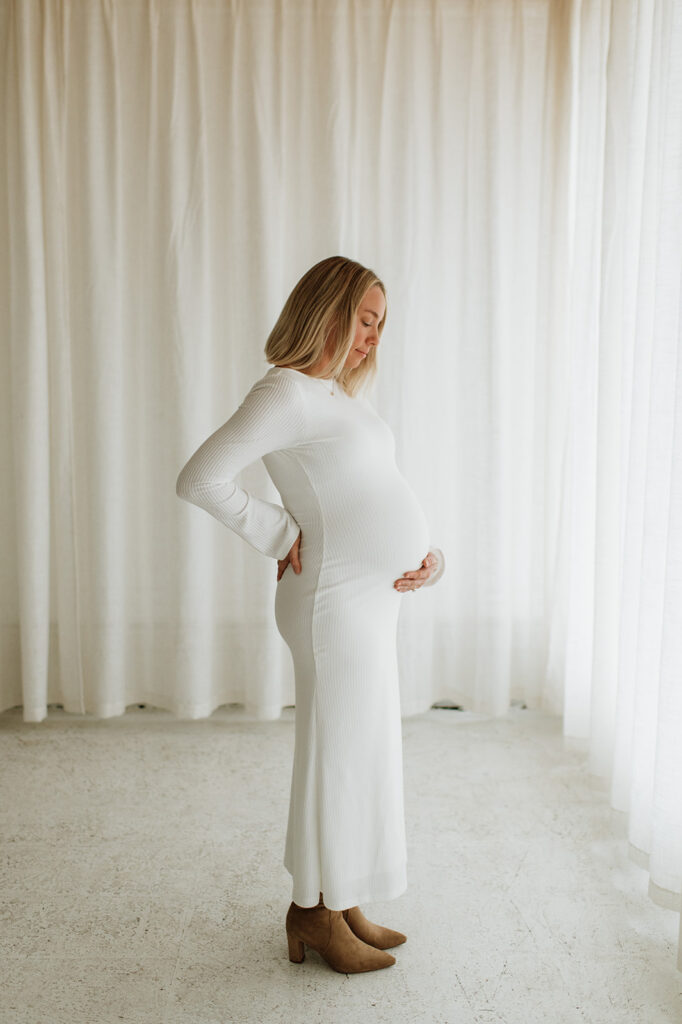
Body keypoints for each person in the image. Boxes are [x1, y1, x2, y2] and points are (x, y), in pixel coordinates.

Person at [176, 256, 445, 974]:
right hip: (331, 604)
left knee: (362, 753)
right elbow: (199, 477)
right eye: (364, 319)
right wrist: (279, 532)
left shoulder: (341, 400)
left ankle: (343, 895)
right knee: (338, 756)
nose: (372, 339)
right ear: (326, 311)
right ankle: (312, 913)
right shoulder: (286, 393)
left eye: (381, 326)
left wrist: (428, 555)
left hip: (371, 602)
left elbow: (372, 489)